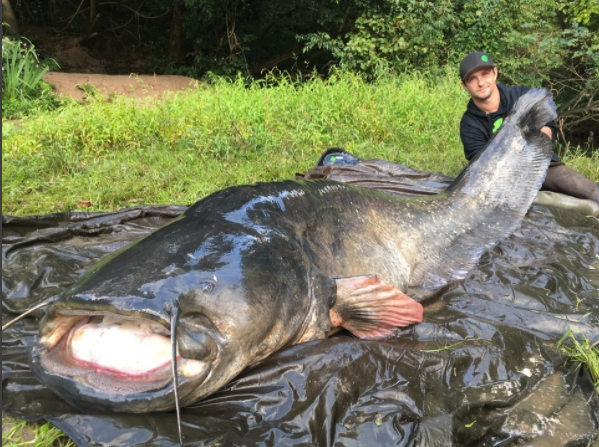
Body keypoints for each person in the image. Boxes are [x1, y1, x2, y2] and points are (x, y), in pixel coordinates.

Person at [459, 51, 599, 204]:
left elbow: (549, 126)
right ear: (464, 86)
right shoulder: (469, 124)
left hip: (540, 164)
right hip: (502, 179)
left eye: (485, 74)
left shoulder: (523, 97)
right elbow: (481, 166)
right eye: (472, 79)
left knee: (589, 192)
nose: (480, 83)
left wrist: (539, 139)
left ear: (495, 73)